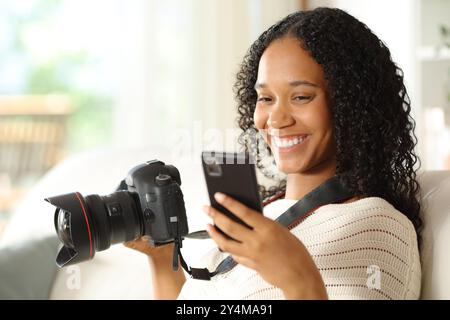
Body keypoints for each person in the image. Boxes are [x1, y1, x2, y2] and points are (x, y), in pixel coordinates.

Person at [124, 7, 422, 300]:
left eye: (301, 97)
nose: (276, 120)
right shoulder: (262, 214)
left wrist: (299, 280)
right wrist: (162, 259)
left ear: (350, 104)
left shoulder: (380, 226)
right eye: (266, 98)